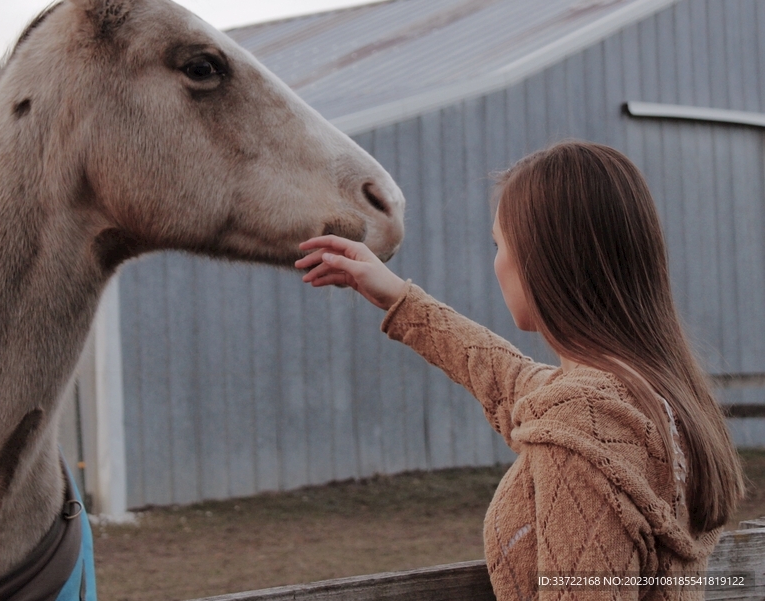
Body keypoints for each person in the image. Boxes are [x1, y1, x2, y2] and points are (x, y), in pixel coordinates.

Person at [295, 141, 743, 600]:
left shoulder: (585, 421)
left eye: (499, 243)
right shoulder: (657, 395)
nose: (496, 262)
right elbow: (513, 381)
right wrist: (400, 299)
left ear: (543, 258)